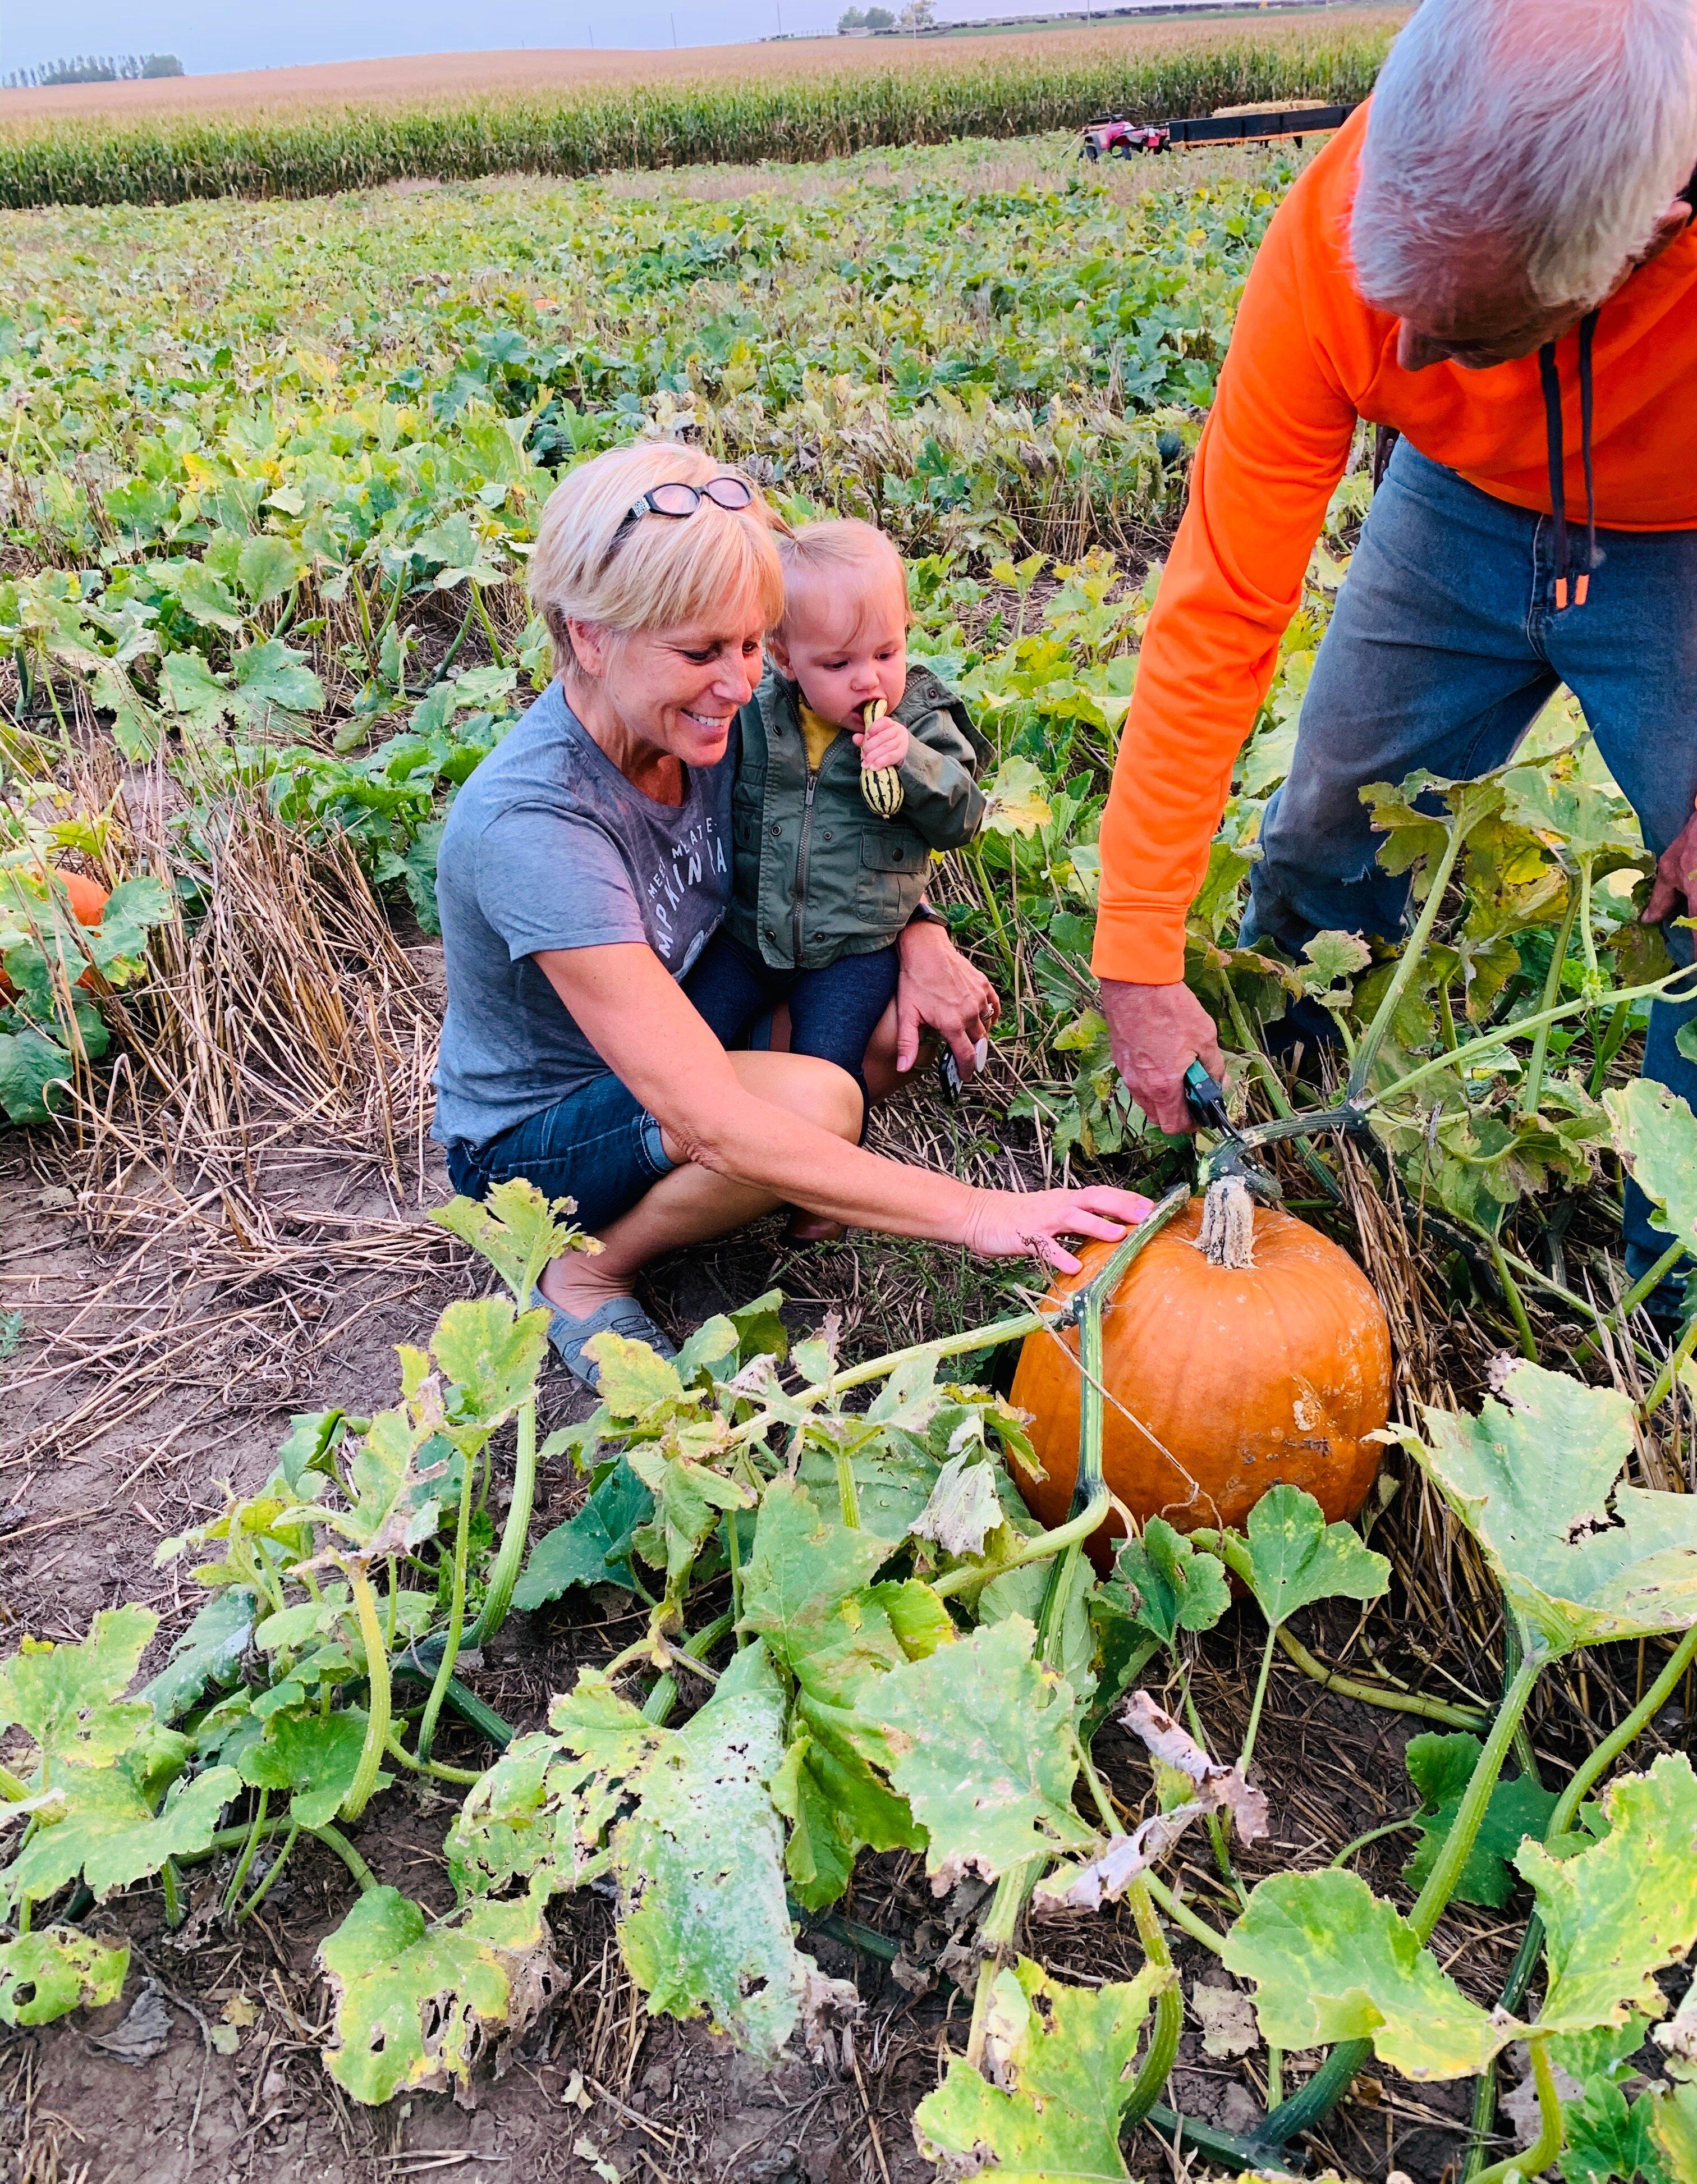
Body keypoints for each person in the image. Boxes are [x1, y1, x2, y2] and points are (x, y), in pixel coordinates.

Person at [1091, 0, 1697, 1286]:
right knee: (1327, 826)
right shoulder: (1330, 241)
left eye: (1462, 330)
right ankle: (1286, 1108)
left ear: (1644, 244)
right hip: (1458, 506)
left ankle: (1673, 1281)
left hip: (1684, 535)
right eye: (1393, 302)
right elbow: (1218, 608)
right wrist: (1136, 954)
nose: (1405, 356)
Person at [431, 439, 1150, 1380]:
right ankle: (582, 1271)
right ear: (589, 635)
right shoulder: (532, 825)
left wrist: (920, 931)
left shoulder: (706, 721)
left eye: (745, 645)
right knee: (816, 1099)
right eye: (698, 652)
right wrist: (981, 1213)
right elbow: (703, 1114)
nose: (735, 683)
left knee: (904, 1017)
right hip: (541, 1141)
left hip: (692, 1020)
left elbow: (827, 840)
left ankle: (771, 1174)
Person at [684, 516, 988, 1116]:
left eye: (886, 652)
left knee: (829, 1073)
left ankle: (819, 1205)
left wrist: (915, 764)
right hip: (748, 934)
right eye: (838, 664)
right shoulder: (757, 714)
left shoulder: (924, 724)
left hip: (857, 948)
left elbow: (964, 820)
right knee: (689, 1042)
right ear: (786, 660)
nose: (869, 679)